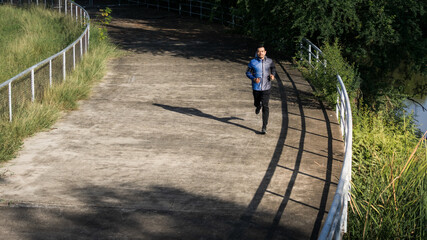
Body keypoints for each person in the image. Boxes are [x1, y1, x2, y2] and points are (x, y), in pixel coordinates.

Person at [246, 45, 276, 134]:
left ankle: (264, 126)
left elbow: (273, 69)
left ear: (265, 52)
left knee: (265, 106)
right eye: (259, 51)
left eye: (262, 51)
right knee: (256, 102)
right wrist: (253, 78)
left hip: (266, 87)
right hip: (256, 87)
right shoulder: (253, 62)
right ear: (257, 52)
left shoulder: (269, 61)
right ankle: (257, 106)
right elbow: (247, 72)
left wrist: (273, 75)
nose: (260, 53)